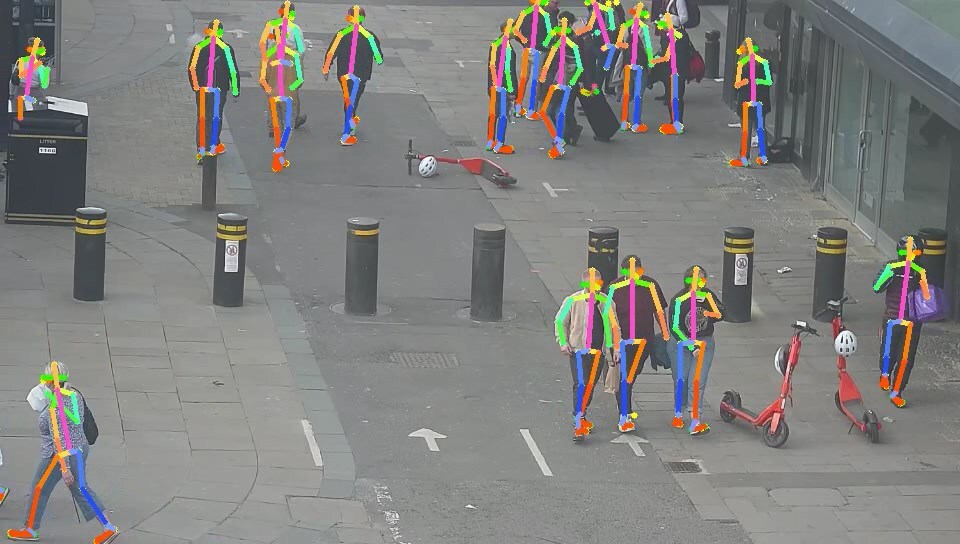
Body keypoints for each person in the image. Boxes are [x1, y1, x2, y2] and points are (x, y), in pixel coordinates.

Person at [7, 362, 118, 544]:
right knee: (81, 489)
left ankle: (30, 529)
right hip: (79, 448)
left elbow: (59, 437)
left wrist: (64, 468)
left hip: (60, 455)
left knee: (39, 488)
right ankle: (108, 527)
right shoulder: (74, 394)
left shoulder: (55, 405)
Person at [555, 268, 622, 440]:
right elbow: (560, 321)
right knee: (581, 384)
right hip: (578, 350)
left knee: (590, 385)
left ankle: (581, 413)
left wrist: (616, 349)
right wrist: (563, 342)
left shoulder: (607, 302)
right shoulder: (572, 300)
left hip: (598, 352)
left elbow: (615, 327)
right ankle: (579, 421)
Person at [606, 255, 669, 432]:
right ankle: (624, 416)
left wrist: (665, 334)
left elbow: (658, 311)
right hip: (623, 341)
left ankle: (624, 407)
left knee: (632, 375)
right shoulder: (614, 288)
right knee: (625, 377)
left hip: (644, 340)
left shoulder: (651, 285)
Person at [873, 235, 929, 408]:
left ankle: (892, 385)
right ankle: (890, 382)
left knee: (898, 356)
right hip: (901, 320)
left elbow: (877, 287)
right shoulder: (901, 269)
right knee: (896, 355)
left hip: (902, 320)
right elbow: (877, 287)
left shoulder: (914, 270)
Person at [668, 265, 724, 435]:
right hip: (682, 342)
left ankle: (695, 419)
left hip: (704, 341)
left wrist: (709, 311)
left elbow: (722, 314)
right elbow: (675, 328)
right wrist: (691, 346)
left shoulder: (707, 296)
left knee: (697, 380)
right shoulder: (678, 300)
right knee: (681, 378)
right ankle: (679, 411)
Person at [322, 6, 383, 146]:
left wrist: (326, 68)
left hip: (344, 73)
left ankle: (350, 123)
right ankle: (349, 128)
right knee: (353, 99)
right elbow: (379, 58)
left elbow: (331, 52)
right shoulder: (370, 36)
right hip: (362, 74)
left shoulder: (341, 34)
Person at [259, 1, 304, 172]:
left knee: (276, 120)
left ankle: (274, 135)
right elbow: (300, 75)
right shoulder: (296, 33)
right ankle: (280, 152)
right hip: (288, 92)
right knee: (288, 123)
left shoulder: (270, 29)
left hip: (273, 90)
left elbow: (262, 78)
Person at [187, 20, 240, 164]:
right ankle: (212, 146)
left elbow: (192, 69)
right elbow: (233, 72)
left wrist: (196, 87)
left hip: (202, 90)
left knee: (203, 118)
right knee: (216, 117)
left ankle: (201, 151)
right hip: (219, 90)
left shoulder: (199, 47)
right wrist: (235, 91)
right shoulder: (226, 49)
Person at [652, 0, 691, 134]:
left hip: (674, 72)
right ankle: (675, 121)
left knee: (674, 98)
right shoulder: (678, 36)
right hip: (677, 71)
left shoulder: (673, 39)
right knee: (674, 98)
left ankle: (677, 123)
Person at [487, 20, 519, 154]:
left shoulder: (495, 44)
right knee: (503, 115)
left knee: (493, 114)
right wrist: (512, 90)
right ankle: (499, 144)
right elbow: (508, 71)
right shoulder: (507, 48)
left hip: (493, 86)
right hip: (504, 87)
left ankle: (490, 142)